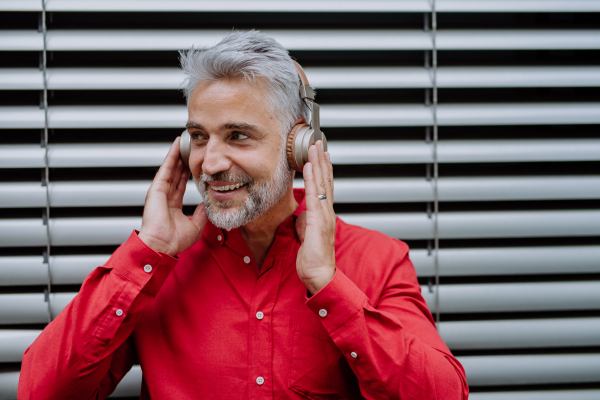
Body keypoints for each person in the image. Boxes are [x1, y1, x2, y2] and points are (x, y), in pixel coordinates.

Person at [18, 30, 468, 399]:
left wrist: (328, 285)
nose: (210, 163)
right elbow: (41, 392)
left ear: (299, 147)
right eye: (198, 135)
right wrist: (148, 251)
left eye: (237, 136)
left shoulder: (377, 260)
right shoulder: (153, 273)